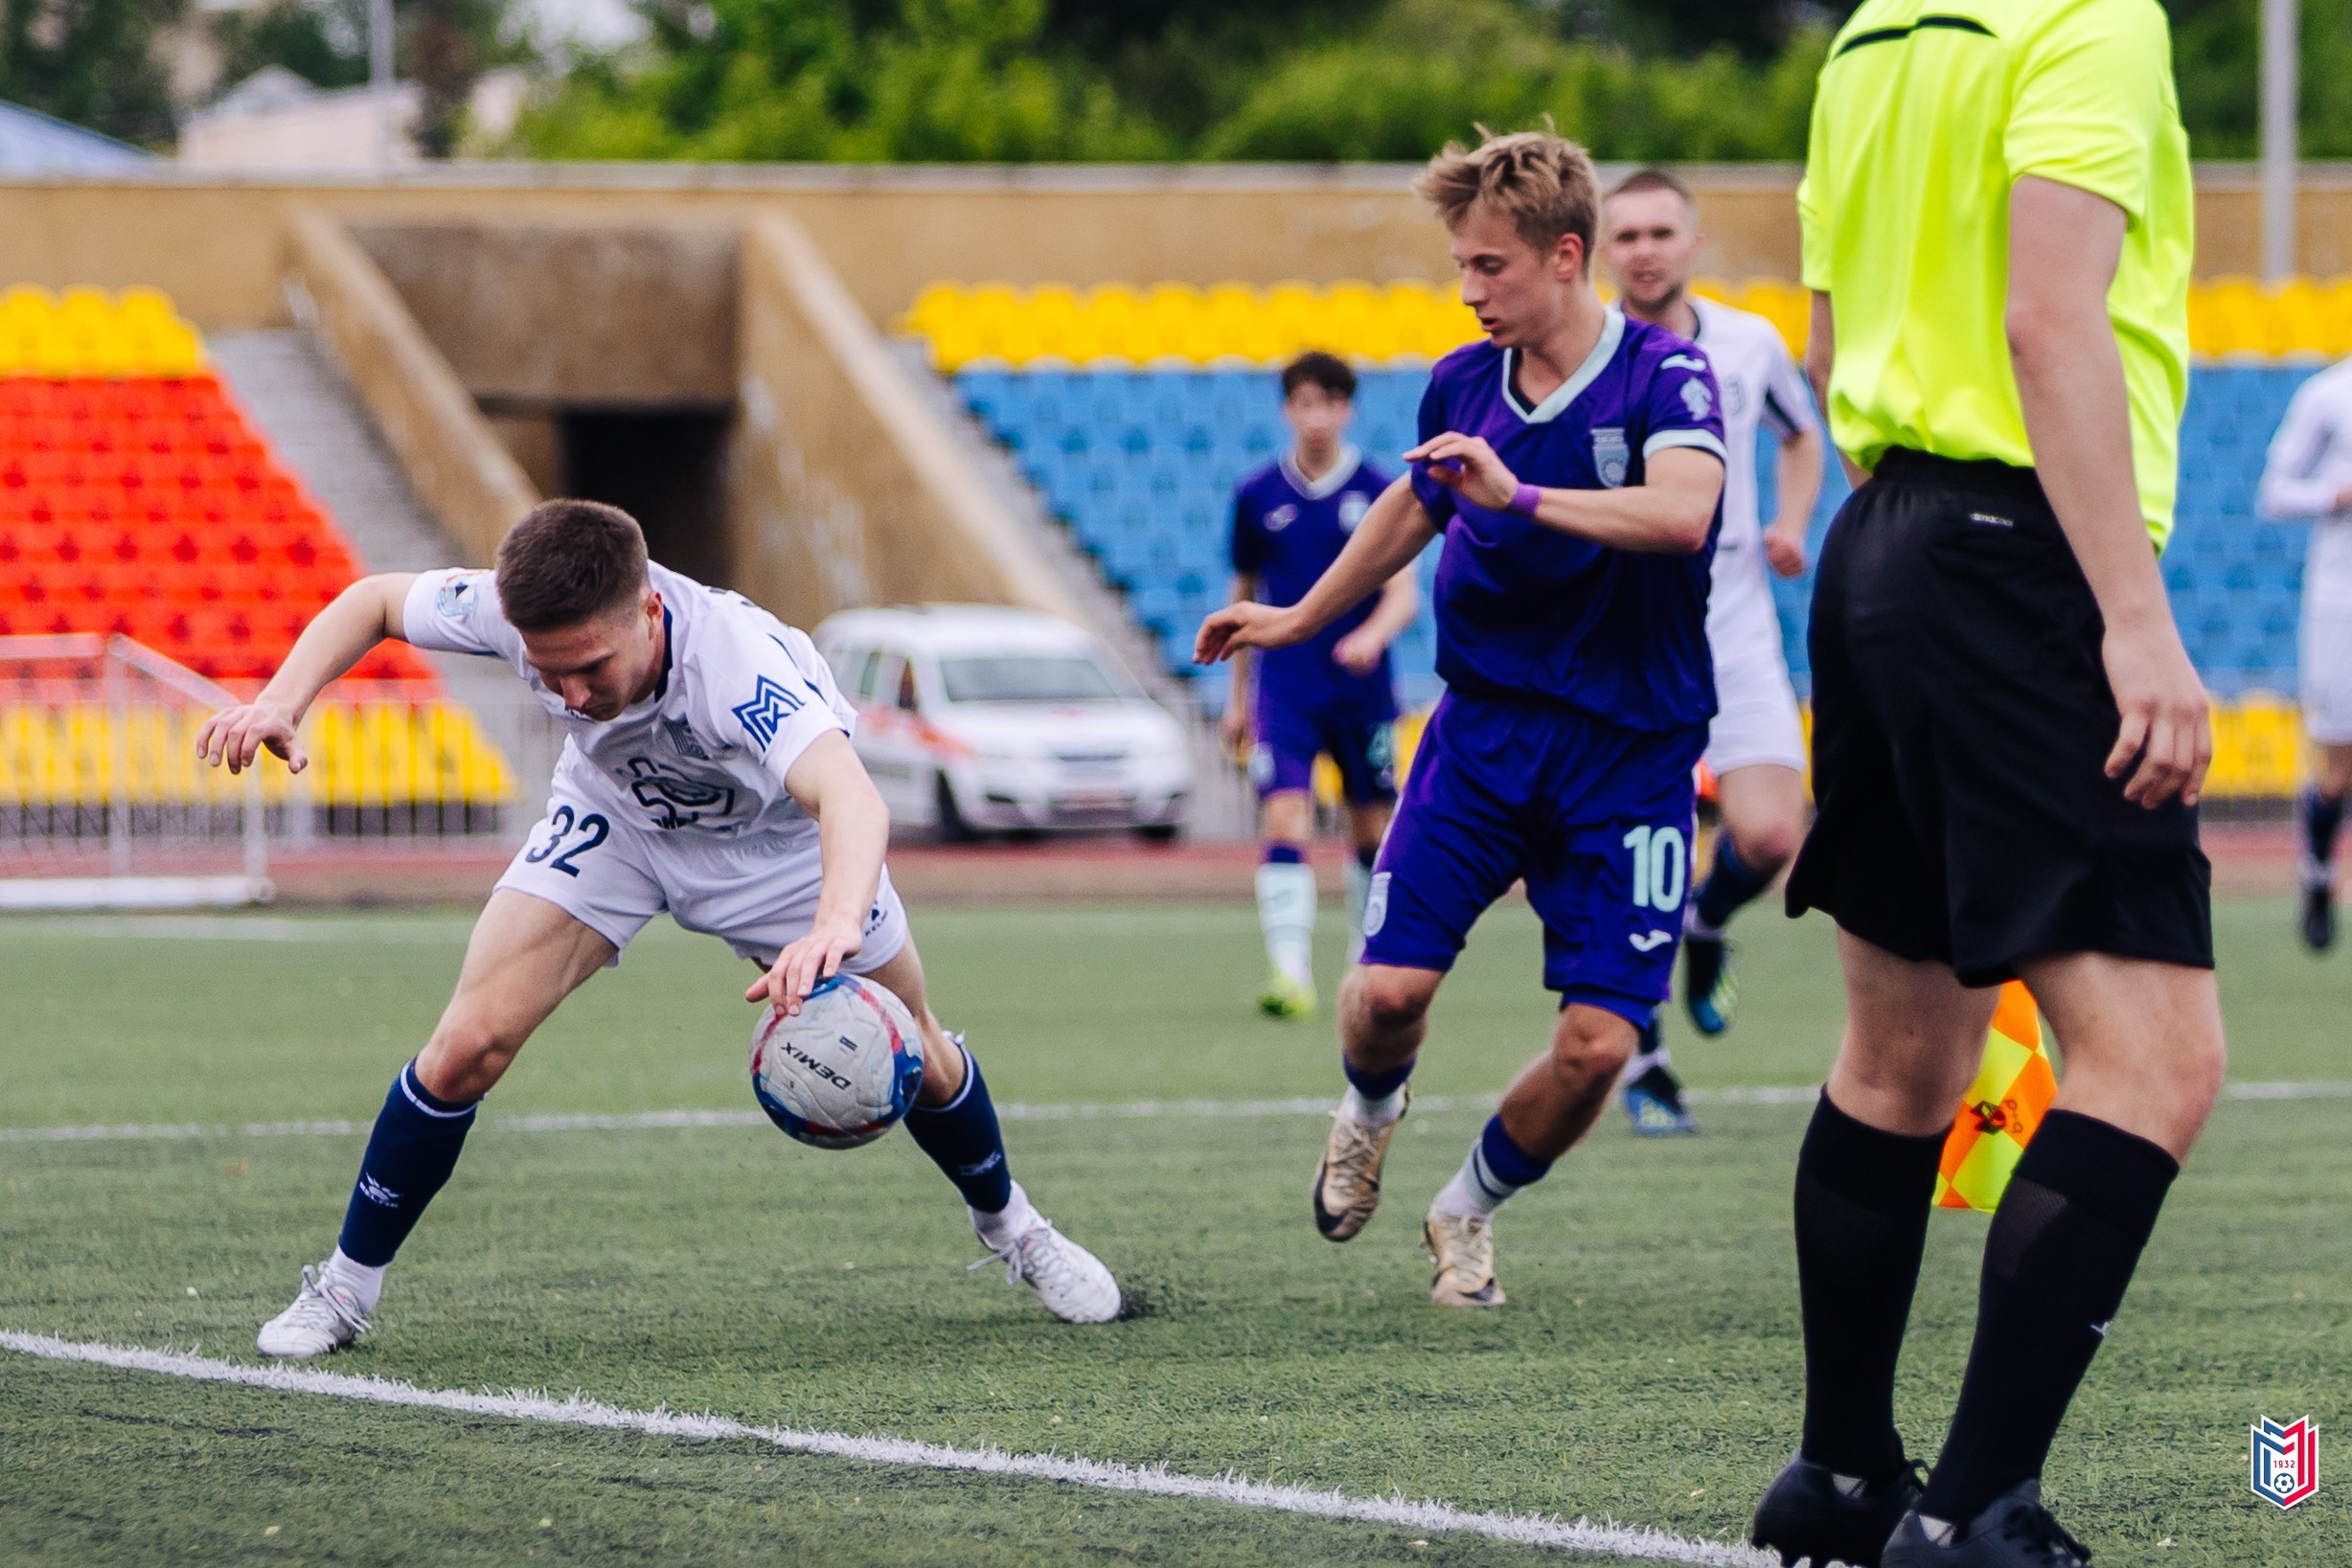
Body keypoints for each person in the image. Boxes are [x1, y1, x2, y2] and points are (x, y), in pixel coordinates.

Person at [195, 501, 1122, 1359]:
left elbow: (849, 797)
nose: (569, 694)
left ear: (647, 609)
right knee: (466, 1044)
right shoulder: (511, 613)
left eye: (589, 667)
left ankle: (1014, 1227)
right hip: (620, 826)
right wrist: (283, 697)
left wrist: (831, 924)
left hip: (784, 855)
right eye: (546, 669)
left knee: (918, 1051)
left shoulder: (737, 663)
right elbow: (376, 599)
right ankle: (346, 1289)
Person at [1755, 5, 2224, 1565]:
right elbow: (2047, 320)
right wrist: (2136, 621)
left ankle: (1840, 1478)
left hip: (1879, 545)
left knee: (1900, 1050)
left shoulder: (1873, 37)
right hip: (2019, 566)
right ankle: (1971, 1511)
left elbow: (1831, 353)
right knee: (2154, 1061)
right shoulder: (2091, 19)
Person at [1197, 125, 1727, 1310]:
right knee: (1386, 998)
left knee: (1597, 1045)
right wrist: (1290, 617)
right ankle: (1369, 1110)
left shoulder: (1665, 377)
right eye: (1462, 265)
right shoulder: (1459, 381)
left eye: (1489, 265)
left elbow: (1685, 513)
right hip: (1482, 736)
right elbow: (1411, 505)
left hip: (1632, 757)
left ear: (1564, 255)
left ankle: (1468, 1205)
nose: (1469, 288)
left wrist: (1522, 493)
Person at [1599, 167, 1826, 1135]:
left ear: (1691, 242)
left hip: (1731, 611)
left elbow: (1802, 431)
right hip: (1622, 626)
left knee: (1775, 835)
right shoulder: (1584, 347)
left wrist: (1792, 522)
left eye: (1660, 231)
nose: (1644, 248)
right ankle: (1644, 1063)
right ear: (1599, 250)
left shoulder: (1748, 343)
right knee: (1627, 855)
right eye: (1627, 235)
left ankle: (1705, 918)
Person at [1220, 352, 1417, 1018]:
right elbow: (1243, 593)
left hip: (1360, 689)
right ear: (1287, 409)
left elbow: (1403, 593)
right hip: (1286, 686)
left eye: (1328, 403)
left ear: (1346, 409)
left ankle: (1365, 962)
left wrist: (1372, 634)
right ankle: (1288, 970)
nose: (1316, 417)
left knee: (1369, 829)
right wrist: (1236, 697)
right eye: (1304, 403)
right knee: (1284, 813)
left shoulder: (1380, 489)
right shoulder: (1255, 496)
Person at [2255, 357, 2352, 951]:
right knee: (2339, 756)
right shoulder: (2328, 395)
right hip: (2340, 599)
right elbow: (2274, 492)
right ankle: (2317, 879)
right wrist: (2333, 493)